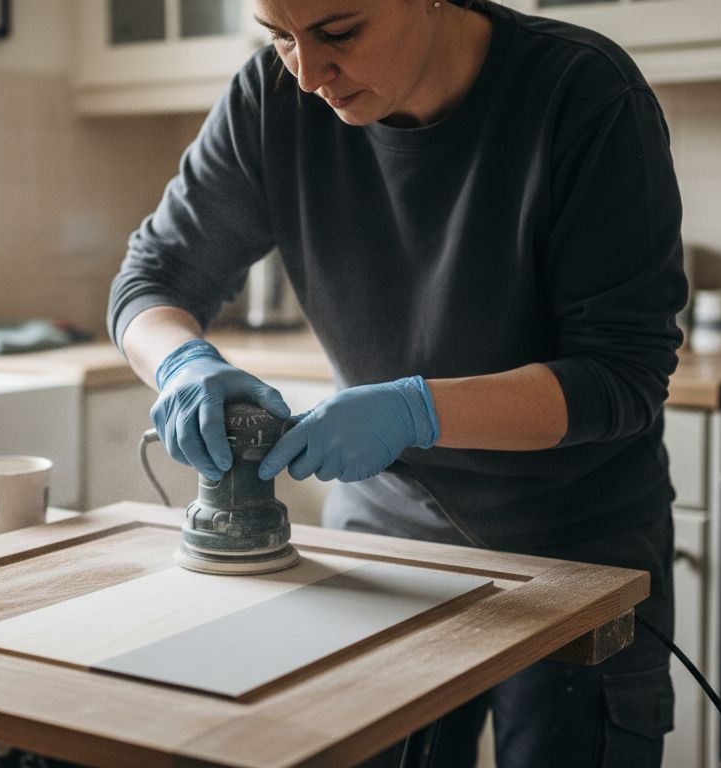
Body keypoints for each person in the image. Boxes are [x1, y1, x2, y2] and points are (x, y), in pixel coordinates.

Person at [107, 0, 687, 765]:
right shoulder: (269, 101)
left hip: (574, 553)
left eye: (339, 32)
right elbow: (152, 279)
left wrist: (419, 411)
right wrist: (182, 363)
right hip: (381, 547)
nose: (309, 75)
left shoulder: (584, 92)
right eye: (279, 38)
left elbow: (623, 375)